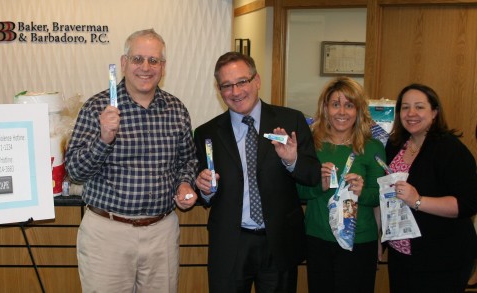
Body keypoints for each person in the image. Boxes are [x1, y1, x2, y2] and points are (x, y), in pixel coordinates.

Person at [64, 28, 198, 293]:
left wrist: (184, 184)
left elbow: (189, 160)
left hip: (161, 231)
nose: (145, 67)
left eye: (153, 60)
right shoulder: (96, 107)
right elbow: (75, 172)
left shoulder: (176, 109)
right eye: (138, 59)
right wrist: (103, 139)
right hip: (108, 232)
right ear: (124, 63)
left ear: (163, 66)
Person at [194, 51, 321, 293]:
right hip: (231, 243)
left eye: (242, 82)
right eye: (227, 85)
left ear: (257, 80)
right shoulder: (206, 133)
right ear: (219, 90)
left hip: (279, 242)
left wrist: (292, 160)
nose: (236, 91)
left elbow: (312, 175)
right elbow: (203, 194)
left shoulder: (291, 120)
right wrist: (205, 190)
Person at [385, 83, 477, 293]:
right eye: (405, 107)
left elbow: (468, 203)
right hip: (402, 253)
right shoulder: (396, 144)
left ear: (434, 112)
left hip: (442, 256)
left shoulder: (450, 149)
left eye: (419, 107)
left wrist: (418, 201)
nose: (411, 113)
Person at [296, 77, 385, 293]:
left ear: (359, 110)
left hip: (360, 239)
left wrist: (362, 192)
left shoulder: (372, 147)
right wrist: (320, 186)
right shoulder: (311, 144)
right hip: (318, 238)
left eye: (349, 105)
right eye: (335, 105)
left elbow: (380, 195)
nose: (342, 112)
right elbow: (297, 191)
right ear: (325, 109)